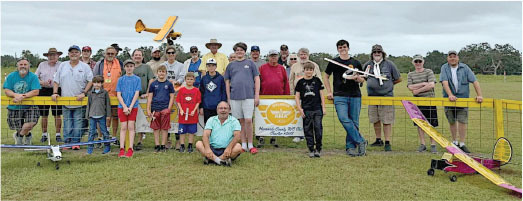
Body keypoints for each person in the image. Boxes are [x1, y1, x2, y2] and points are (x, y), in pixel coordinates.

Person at [324, 39, 367, 156]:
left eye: (344, 47)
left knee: (354, 122)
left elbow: (363, 79)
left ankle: (350, 147)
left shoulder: (356, 62)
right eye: (340, 47)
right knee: (343, 118)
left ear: (348, 48)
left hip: (355, 95)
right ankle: (361, 140)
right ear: (338, 49)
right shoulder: (334, 62)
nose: (343, 49)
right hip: (339, 95)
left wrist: (357, 78)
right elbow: (326, 77)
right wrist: (329, 91)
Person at [440, 50, 483, 153]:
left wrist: (479, 95)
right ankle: (454, 142)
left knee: (462, 121)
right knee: (451, 121)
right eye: (450, 57)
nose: (452, 58)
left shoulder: (465, 68)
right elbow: (444, 82)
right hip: (448, 99)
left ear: (458, 58)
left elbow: (474, 81)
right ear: (447, 58)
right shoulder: (444, 68)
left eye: (454, 56)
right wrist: (450, 95)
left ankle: (462, 143)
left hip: (463, 99)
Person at [52, 45, 93, 149]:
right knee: (67, 122)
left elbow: (91, 80)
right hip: (66, 100)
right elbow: (56, 80)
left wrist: (84, 93)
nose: (73, 54)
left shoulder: (85, 67)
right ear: (68, 54)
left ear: (79, 54)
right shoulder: (63, 65)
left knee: (78, 122)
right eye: (71, 52)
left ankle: (76, 143)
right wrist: (55, 92)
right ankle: (67, 142)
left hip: (79, 101)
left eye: (76, 52)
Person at [363, 44, 401, 152]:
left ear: (382, 53)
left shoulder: (389, 64)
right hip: (372, 97)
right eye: (375, 52)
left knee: (386, 119)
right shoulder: (368, 65)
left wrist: (388, 86)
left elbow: (398, 78)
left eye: (379, 52)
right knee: (375, 119)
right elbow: (363, 76)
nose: (377, 54)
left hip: (386, 96)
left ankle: (387, 142)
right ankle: (378, 139)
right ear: (372, 54)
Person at [224, 42, 260, 154]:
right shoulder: (230, 65)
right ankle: (243, 144)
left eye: (241, 50)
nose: (239, 52)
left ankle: (251, 144)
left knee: (249, 120)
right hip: (235, 97)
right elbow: (227, 82)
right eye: (237, 50)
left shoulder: (250, 63)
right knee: (240, 121)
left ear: (245, 51)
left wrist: (256, 95)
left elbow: (257, 79)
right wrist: (228, 99)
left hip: (248, 96)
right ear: (235, 52)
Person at [4, 58, 41, 145]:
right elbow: (7, 90)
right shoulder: (11, 76)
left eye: (25, 64)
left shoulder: (33, 77)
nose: (23, 66)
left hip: (30, 105)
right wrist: (15, 95)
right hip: (14, 105)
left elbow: (36, 91)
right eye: (21, 64)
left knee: (30, 123)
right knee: (18, 126)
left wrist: (22, 97)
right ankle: (27, 136)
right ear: (17, 66)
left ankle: (19, 136)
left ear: (29, 66)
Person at [257, 49, 290, 147]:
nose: (273, 58)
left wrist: (287, 97)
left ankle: (274, 138)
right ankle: (261, 137)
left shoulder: (281, 68)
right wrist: (257, 95)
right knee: (263, 118)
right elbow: (258, 82)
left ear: (278, 57)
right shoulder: (262, 68)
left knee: (275, 118)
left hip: (278, 97)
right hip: (264, 97)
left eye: (275, 56)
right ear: (268, 57)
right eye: (271, 56)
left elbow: (286, 83)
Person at [195, 101, 243, 166]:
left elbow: (237, 136)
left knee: (238, 147)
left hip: (227, 149)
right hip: (212, 148)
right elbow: (205, 135)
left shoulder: (234, 121)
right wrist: (208, 149)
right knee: (198, 144)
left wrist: (229, 148)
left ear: (229, 110)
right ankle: (221, 161)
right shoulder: (211, 120)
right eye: (221, 108)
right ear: (217, 110)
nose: (223, 110)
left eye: (225, 108)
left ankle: (212, 159)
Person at [407, 54, 438, 153]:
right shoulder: (410, 74)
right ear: (413, 63)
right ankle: (422, 144)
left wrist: (417, 91)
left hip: (430, 101)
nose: (418, 63)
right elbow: (410, 87)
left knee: (431, 124)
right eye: (416, 61)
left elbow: (431, 85)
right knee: (420, 124)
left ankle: (433, 144)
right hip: (417, 102)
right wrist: (423, 84)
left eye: (420, 61)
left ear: (423, 62)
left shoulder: (429, 71)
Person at [295, 61, 326, 158]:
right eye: (307, 70)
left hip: (317, 109)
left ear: (314, 71)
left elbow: (321, 95)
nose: (309, 72)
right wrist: (300, 109)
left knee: (318, 128)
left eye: (311, 70)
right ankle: (311, 149)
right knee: (308, 130)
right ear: (303, 71)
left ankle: (318, 148)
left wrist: (323, 107)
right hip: (306, 109)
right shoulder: (300, 82)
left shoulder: (317, 81)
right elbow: (297, 96)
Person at [93, 46, 123, 144]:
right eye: (108, 53)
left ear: (115, 54)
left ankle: (113, 137)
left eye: (112, 54)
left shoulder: (120, 63)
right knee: (100, 116)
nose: (110, 55)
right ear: (105, 54)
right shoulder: (100, 64)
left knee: (115, 117)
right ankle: (101, 137)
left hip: (116, 94)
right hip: (102, 94)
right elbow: (95, 78)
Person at [36, 48, 63, 143]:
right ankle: (44, 134)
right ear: (47, 56)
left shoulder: (61, 65)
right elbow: (36, 78)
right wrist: (42, 82)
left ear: (58, 56)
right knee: (44, 115)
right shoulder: (41, 65)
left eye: (54, 55)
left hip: (57, 90)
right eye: (50, 55)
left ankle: (58, 134)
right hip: (43, 90)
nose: (52, 57)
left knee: (57, 114)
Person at [115, 59, 141, 158]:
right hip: (122, 106)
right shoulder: (121, 80)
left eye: (131, 66)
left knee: (131, 127)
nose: (129, 68)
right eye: (127, 66)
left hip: (133, 106)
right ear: (124, 67)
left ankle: (130, 148)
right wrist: (125, 106)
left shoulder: (137, 79)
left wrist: (130, 107)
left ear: (134, 67)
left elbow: (136, 93)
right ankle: (122, 148)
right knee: (123, 127)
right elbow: (118, 94)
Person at [147, 65, 175, 153]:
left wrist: (169, 109)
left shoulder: (169, 84)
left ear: (166, 73)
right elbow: (150, 97)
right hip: (155, 108)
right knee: (156, 128)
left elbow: (172, 97)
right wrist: (148, 109)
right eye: (160, 71)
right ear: (157, 73)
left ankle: (163, 145)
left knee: (164, 128)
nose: (161, 73)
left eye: (163, 72)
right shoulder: (153, 84)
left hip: (165, 108)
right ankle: (157, 145)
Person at [131, 49, 154, 150]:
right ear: (132, 57)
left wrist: (148, 92)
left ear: (142, 57)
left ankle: (139, 140)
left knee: (141, 119)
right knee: (132, 120)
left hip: (143, 97)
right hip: (131, 98)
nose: (137, 57)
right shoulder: (129, 67)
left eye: (139, 55)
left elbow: (151, 80)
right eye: (135, 55)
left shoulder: (146, 67)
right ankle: (131, 140)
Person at [163, 46, 185, 149]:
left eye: (172, 53)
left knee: (177, 116)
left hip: (177, 93)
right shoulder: (163, 65)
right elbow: (160, 75)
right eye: (169, 53)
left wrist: (176, 82)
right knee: (166, 115)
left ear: (175, 54)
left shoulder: (180, 65)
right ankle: (167, 139)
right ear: (166, 54)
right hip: (165, 93)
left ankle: (178, 140)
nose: (171, 54)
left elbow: (182, 77)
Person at [85, 75, 111, 154]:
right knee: (91, 132)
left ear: (102, 83)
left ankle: (107, 146)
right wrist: (87, 115)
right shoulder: (90, 93)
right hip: (92, 115)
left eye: (98, 83)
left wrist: (108, 115)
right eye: (95, 82)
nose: (96, 84)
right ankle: (90, 147)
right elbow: (88, 104)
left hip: (102, 115)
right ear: (92, 83)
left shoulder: (105, 93)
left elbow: (108, 104)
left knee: (104, 131)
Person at [176, 72, 201, 153]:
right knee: (182, 131)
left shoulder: (196, 90)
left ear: (194, 80)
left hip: (192, 115)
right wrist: (181, 110)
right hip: (183, 115)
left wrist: (194, 110)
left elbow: (198, 101)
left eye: (191, 79)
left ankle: (190, 145)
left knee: (191, 131)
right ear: (185, 80)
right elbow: (178, 101)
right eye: (188, 79)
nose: (189, 81)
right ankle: (182, 145)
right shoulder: (182, 90)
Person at [199, 58, 227, 125]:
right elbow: (201, 93)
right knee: (208, 125)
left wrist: (223, 105)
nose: (211, 67)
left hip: (218, 107)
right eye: (209, 65)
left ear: (216, 66)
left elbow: (223, 92)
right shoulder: (204, 78)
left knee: (218, 125)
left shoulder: (220, 78)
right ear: (206, 67)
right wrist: (201, 106)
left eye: (213, 65)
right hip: (207, 106)